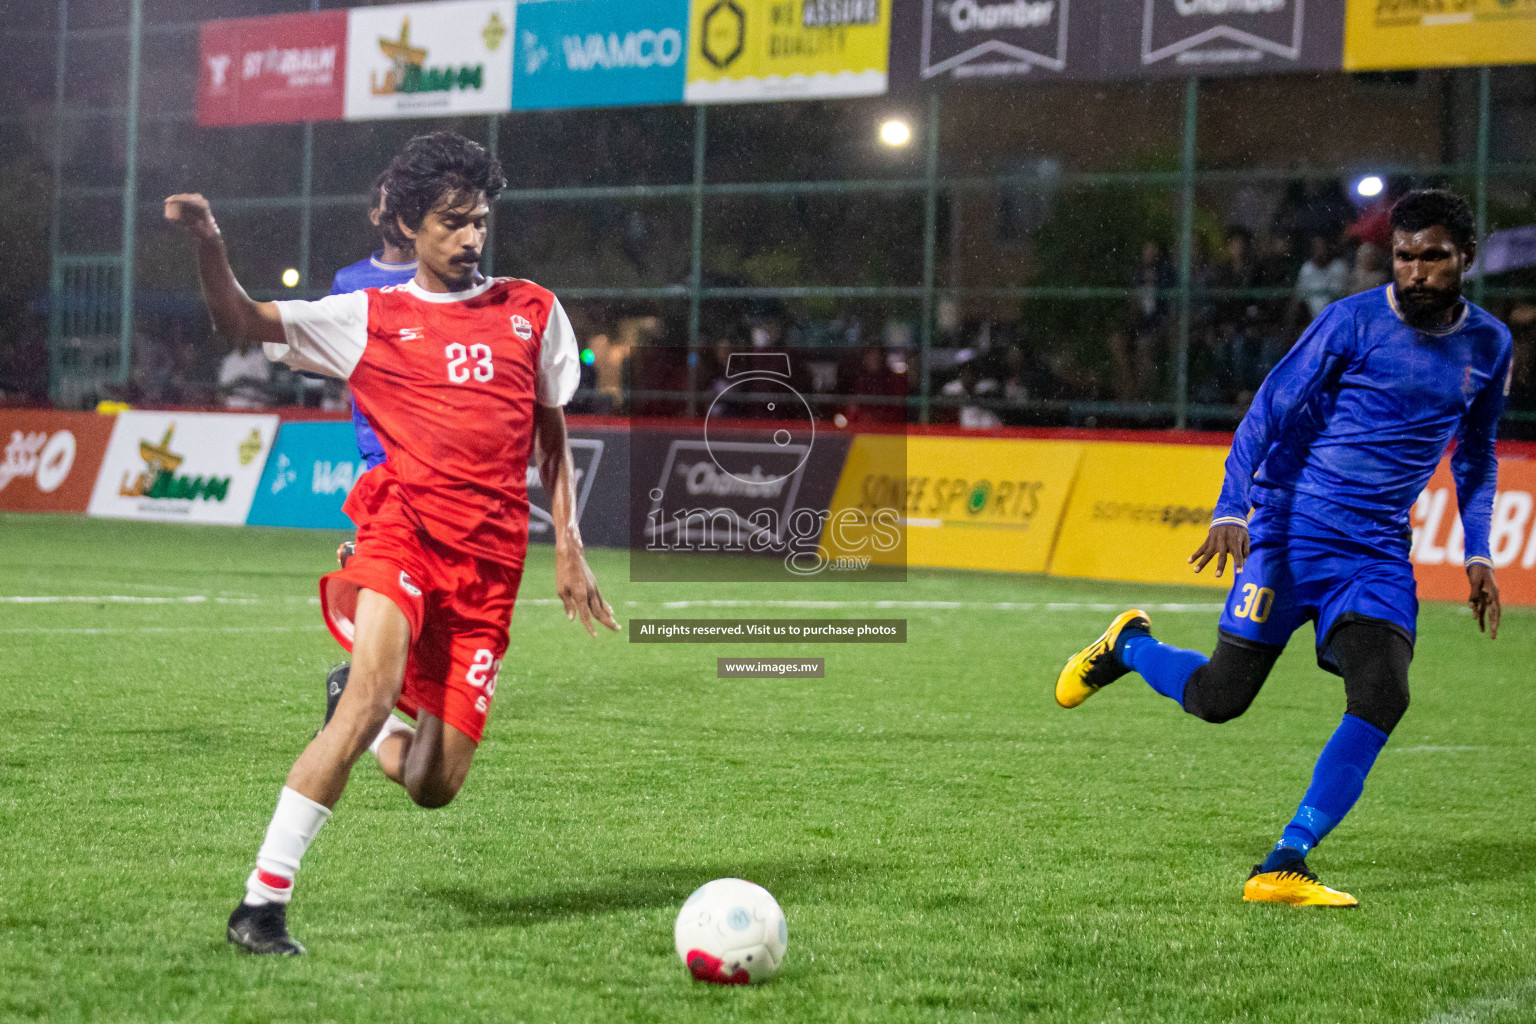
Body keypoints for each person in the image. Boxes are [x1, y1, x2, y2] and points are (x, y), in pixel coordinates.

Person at [164, 131, 620, 956]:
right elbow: (239, 321)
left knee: (432, 786)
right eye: (453, 223)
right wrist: (211, 244)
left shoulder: (534, 310)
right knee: (374, 694)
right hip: (402, 534)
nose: (472, 239)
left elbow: (551, 434)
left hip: (491, 567)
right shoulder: (366, 317)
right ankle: (261, 904)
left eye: (480, 221)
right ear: (408, 225)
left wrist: (570, 545)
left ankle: (372, 723)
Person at [1053, 189, 1511, 907]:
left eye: (1434, 257)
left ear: (1466, 260)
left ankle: (1286, 859)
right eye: (1404, 257)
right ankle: (1128, 646)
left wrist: (1478, 553)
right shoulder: (1351, 323)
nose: (1417, 271)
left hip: (1376, 552)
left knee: (1384, 692)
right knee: (1219, 699)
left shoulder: (1489, 344)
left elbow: (1476, 457)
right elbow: (1267, 410)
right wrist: (1233, 505)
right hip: (1290, 534)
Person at [321, 169, 421, 717]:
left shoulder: (446, 277)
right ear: (374, 215)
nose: (396, 213)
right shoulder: (349, 280)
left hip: (436, 449)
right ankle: (362, 680)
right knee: (386, 567)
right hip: (381, 454)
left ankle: (370, 680)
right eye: (388, 204)